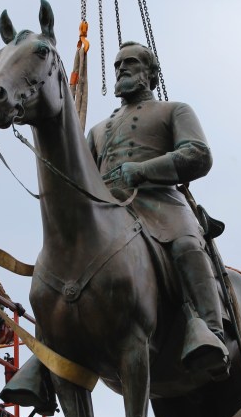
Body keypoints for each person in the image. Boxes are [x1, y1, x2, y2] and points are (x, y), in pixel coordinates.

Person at [86, 41, 230, 378]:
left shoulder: (174, 110)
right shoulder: (96, 131)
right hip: (109, 213)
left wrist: (143, 171)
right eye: (117, 64)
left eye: (130, 63)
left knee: (186, 246)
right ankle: (49, 353)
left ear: (150, 73)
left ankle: (212, 331)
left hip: (160, 204)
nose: (121, 68)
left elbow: (198, 154)